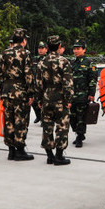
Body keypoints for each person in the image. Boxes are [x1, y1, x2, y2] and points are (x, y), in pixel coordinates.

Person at [0, 28, 35, 161]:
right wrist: (31, 93)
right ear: (23, 41)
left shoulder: (4, 53)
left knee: (9, 121)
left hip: (7, 91)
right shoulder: (26, 53)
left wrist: (0, 91)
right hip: (20, 92)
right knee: (21, 121)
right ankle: (20, 150)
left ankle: (11, 151)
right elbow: (29, 75)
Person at [35, 35, 73, 165]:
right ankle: (59, 156)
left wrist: (39, 99)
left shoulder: (41, 62)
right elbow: (67, 83)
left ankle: (49, 156)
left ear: (47, 46)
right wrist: (68, 99)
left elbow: (39, 83)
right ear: (58, 46)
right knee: (62, 126)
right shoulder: (64, 61)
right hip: (60, 97)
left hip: (46, 97)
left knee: (47, 126)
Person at [70, 39, 97, 148]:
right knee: (72, 117)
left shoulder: (89, 63)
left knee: (81, 116)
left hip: (83, 94)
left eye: (78, 49)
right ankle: (78, 133)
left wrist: (91, 93)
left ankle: (79, 136)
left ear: (84, 50)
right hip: (72, 95)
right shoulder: (71, 63)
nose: (76, 51)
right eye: (74, 49)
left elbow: (93, 79)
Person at [31, 41, 47, 123]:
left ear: (46, 49)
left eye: (42, 48)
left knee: (43, 102)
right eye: (39, 48)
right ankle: (38, 116)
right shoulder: (34, 59)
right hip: (35, 84)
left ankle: (44, 119)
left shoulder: (48, 59)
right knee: (34, 102)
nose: (40, 50)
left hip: (44, 85)